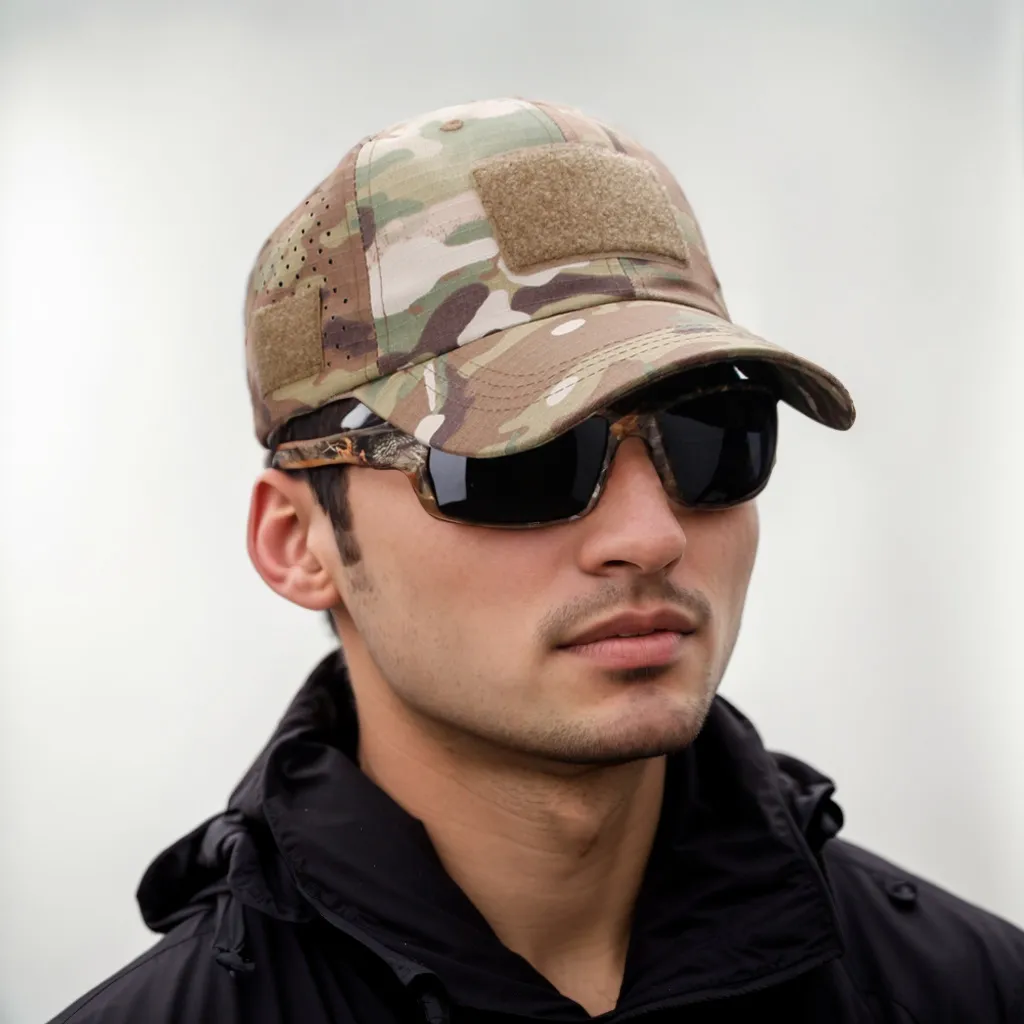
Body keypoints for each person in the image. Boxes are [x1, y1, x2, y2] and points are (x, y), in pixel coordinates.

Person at [51, 97, 1023, 1024]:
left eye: (712, 437)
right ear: (296, 542)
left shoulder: (973, 992)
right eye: (518, 463)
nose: (650, 535)